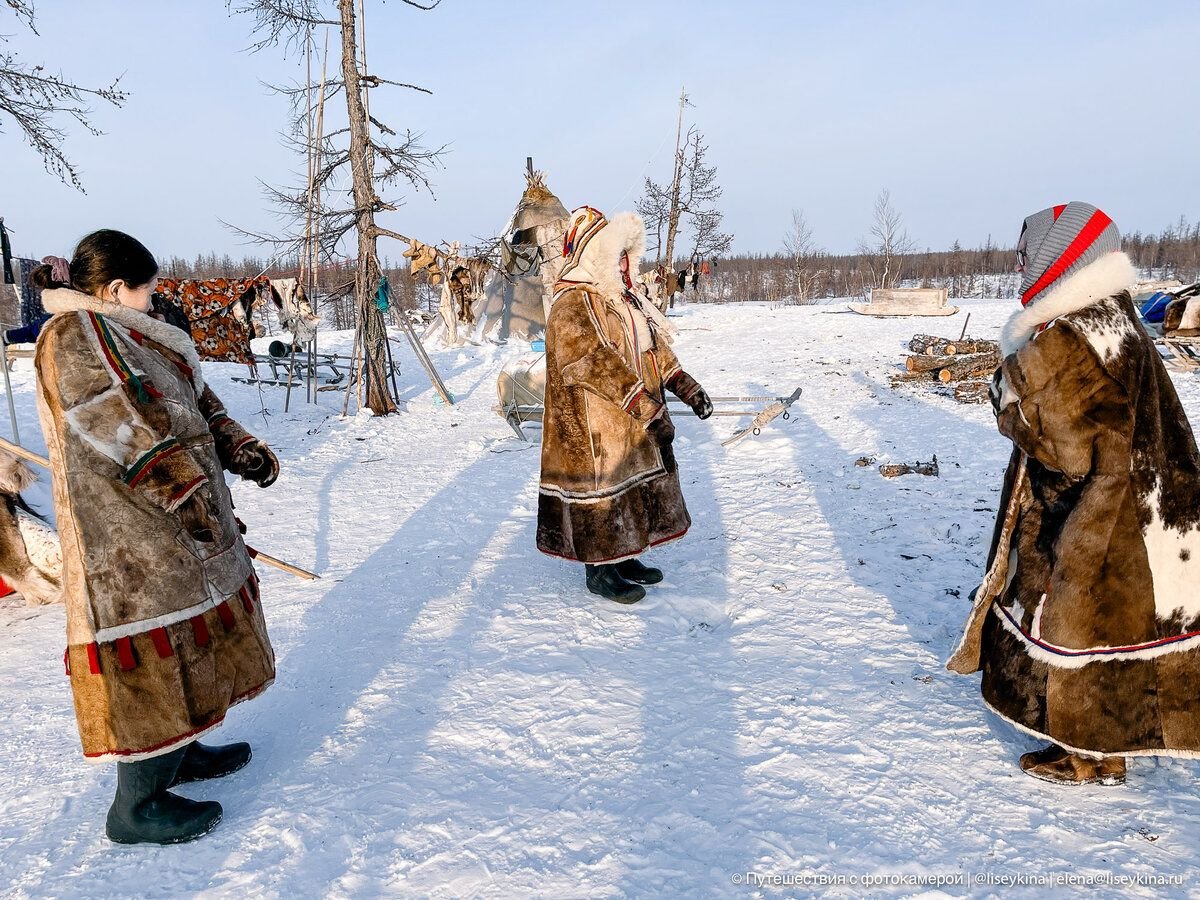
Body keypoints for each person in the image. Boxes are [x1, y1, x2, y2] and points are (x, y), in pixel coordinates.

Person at [33, 230, 279, 843]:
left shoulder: (137, 334)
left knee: (192, 640)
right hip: (126, 536)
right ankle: (136, 806)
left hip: (178, 524)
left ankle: (180, 748)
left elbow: (192, 399)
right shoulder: (72, 336)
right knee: (149, 651)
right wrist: (182, 490)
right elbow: (111, 422)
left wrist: (235, 444)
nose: (154, 296)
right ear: (115, 288)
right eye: (146, 288)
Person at [950, 202, 1200, 785]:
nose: (1017, 270)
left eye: (1024, 258)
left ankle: (1087, 755)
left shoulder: (1071, 334)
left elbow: (1063, 446)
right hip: (1150, 504)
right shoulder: (1113, 317)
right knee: (1125, 628)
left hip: (1100, 511)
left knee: (1081, 628)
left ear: (1059, 258)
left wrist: (1008, 390)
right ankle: (1109, 747)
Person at [537, 207, 712, 603]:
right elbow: (590, 360)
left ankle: (625, 555)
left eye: (623, 255)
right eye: (612, 253)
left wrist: (682, 383)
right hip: (593, 421)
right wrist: (643, 405)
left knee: (629, 490)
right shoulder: (572, 303)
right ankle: (600, 570)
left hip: (630, 415)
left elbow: (650, 347)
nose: (620, 262)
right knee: (605, 493)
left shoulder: (619, 299)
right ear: (592, 254)